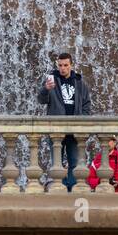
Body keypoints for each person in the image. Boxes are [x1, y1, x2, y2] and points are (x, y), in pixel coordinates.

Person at [39, 51, 90, 191]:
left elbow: (87, 104)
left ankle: (72, 188)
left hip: (74, 130)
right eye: (60, 65)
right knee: (57, 162)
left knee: (74, 161)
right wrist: (45, 89)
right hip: (57, 129)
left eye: (66, 65)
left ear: (71, 65)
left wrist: (82, 120)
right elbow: (41, 100)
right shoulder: (51, 81)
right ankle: (58, 187)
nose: (62, 68)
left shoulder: (80, 83)